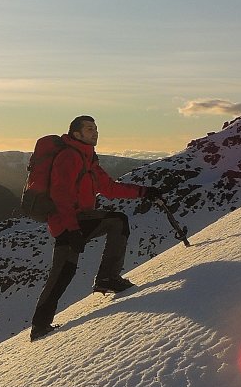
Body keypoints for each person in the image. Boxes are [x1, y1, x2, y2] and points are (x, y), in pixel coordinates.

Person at [30, 116, 159, 341]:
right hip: (68, 222)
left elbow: (108, 188)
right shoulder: (70, 156)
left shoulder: (87, 158)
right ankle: (41, 326)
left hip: (78, 221)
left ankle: (106, 280)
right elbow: (61, 195)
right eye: (89, 129)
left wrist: (143, 192)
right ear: (76, 134)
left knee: (115, 223)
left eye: (96, 128)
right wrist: (72, 230)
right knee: (63, 272)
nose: (95, 132)